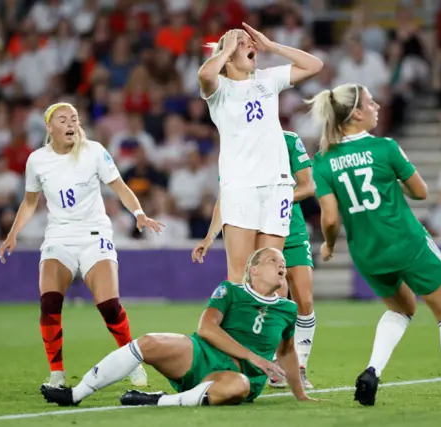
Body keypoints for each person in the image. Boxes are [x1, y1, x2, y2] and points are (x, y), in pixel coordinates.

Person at [307, 83, 441, 408]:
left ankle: (373, 370)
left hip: (367, 253)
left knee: (402, 308)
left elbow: (330, 219)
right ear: (356, 113)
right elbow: (420, 193)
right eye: (371, 102)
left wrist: (329, 246)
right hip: (406, 242)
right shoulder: (385, 148)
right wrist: (390, 183)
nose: (377, 106)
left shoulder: (322, 161)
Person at [0, 102, 163, 389]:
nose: (70, 123)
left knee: (109, 306)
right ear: (49, 127)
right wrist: (13, 233)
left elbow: (120, 186)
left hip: (94, 234)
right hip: (59, 237)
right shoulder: (37, 160)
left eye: (74, 118)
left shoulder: (94, 151)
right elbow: (29, 201)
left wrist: (139, 213)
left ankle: (133, 363)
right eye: (63, 119)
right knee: (49, 303)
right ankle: (57, 374)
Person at [40, 247, 312, 407]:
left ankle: (156, 400)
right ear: (253, 270)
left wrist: (300, 393)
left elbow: (286, 352)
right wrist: (252, 355)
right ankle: (76, 393)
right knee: (148, 342)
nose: (281, 265)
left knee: (237, 387)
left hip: (239, 378)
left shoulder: (288, 309)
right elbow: (207, 329)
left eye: (283, 263)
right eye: (273, 260)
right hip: (202, 355)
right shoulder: (230, 291)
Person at [198, 24, 322, 284]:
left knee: (272, 273)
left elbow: (314, 66)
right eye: (242, 43)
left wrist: (273, 46)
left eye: (249, 42)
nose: (251, 45)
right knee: (241, 273)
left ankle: (269, 326)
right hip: (242, 187)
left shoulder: (267, 79)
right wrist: (227, 49)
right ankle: (235, 325)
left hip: (277, 188)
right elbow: (205, 74)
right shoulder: (220, 90)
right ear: (229, 54)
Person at [192, 131, 317, 389]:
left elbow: (308, 185)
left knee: (304, 298)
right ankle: (270, 362)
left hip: (289, 226)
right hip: (256, 228)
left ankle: (300, 365)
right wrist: (209, 236)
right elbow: (227, 195)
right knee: (270, 294)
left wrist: (277, 199)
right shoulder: (237, 141)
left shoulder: (289, 140)